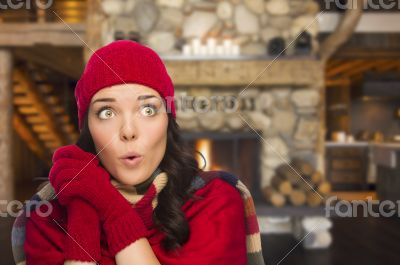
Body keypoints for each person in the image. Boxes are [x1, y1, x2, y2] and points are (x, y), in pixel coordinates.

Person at [11, 40, 265, 265]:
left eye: (148, 110)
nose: (129, 131)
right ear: (88, 128)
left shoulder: (216, 200)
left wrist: (110, 207)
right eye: (107, 112)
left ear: (168, 121)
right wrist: (83, 210)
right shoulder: (47, 218)